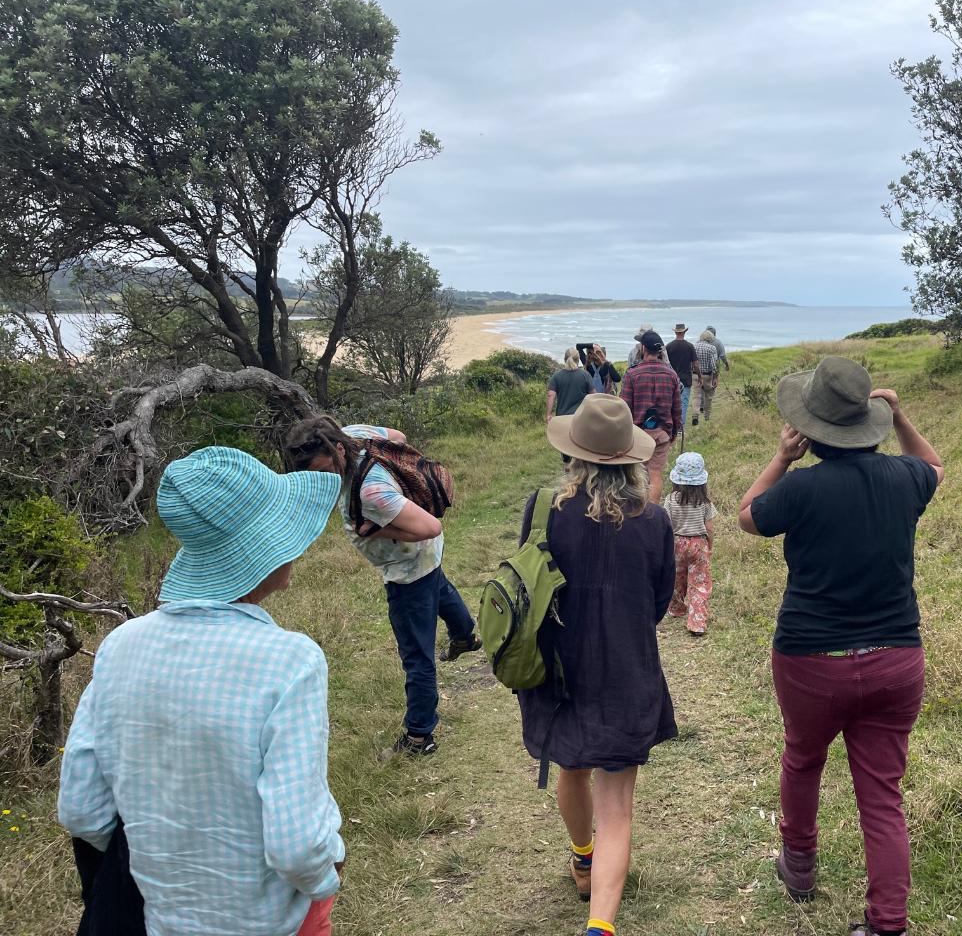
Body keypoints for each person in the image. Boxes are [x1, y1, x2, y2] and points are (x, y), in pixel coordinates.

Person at [59, 447, 345, 936]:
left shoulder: (120, 645)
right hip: (267, 920)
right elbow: (297, 846)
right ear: (263, 547)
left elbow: (82, 808)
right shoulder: (290, 661)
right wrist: (325, 877)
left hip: (153, 914)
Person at [737, 356, 943, 936]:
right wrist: (902, 418)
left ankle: (798, 865)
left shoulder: (801, 488)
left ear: (813, 428)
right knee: (882, 795)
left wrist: (781, 458)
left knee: (803, 757)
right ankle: (886, 923)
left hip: (810, 661)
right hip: (896, 659)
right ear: (868, 421)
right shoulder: (905, 479)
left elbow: (747, 517)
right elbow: (934, 465)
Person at [520, 393, 676, 936]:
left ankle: (582, 858)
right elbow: (658, 604)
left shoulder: (544, 510)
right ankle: (599, 926)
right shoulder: (654, 521)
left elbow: (529, 587)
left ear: (574, 455)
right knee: (619, 808)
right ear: (631, 460)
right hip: (627, 669)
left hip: (558, 667)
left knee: (571, 767)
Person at [284, 418, 482, 759]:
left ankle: (420, 738)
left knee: (417, 657)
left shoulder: (371, 492)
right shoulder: (357, 434)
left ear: (339, 450)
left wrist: (376, 532)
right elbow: (399, 436)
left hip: (407, 570)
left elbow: (431, 526)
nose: (322, 478)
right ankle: (465, 636)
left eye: (325, 469)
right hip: (426, 560)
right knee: (440, 589)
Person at [619, 329, 683, 503]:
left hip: (636, 434)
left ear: (643, 349)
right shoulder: (671, 375)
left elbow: (623, 408)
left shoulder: (632, 374)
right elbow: (677, 409)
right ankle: (651, 515)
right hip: (661, 434)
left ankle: (635, 512)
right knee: (655, 475)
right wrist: (674, 433)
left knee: (634, 475)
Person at [662, 451, 717, 636]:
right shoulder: (705, 502)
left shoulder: (670, 500)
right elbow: (709, 528)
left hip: (677, 543)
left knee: (677, 579)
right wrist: (710, 544)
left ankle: (676, 608)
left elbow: (666, 525)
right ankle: (697, 622)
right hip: (698, 544)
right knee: (699, 583)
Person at [550, 347, 596, 419]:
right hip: (580, 418)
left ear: (565, 359)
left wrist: (548, 414)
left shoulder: (556, 376)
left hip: (562, 417)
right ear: (578, 360)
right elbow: (594, 396)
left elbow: (551, 395)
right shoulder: (585, 375)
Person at [664, 324, 697, 422]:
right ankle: (680, 427)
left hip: (671, 379)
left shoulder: (668, 346)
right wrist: (699, 376)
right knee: (683, 403)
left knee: (671, 403)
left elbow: (664, 363)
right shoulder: (690, 346)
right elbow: (695, 364)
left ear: (675, 332)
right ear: (685, 332)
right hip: (686, 379)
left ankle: (671, 425)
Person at [692, 329, 720, 425]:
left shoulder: (694, 346)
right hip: (707, 375)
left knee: (696, 396)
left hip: (695, 374)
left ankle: (695, 416)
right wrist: (715, 378)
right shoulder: (712, 348)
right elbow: (714, 365)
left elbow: (691, 362)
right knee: (708, 397)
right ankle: (707, 417)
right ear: (710, 338)